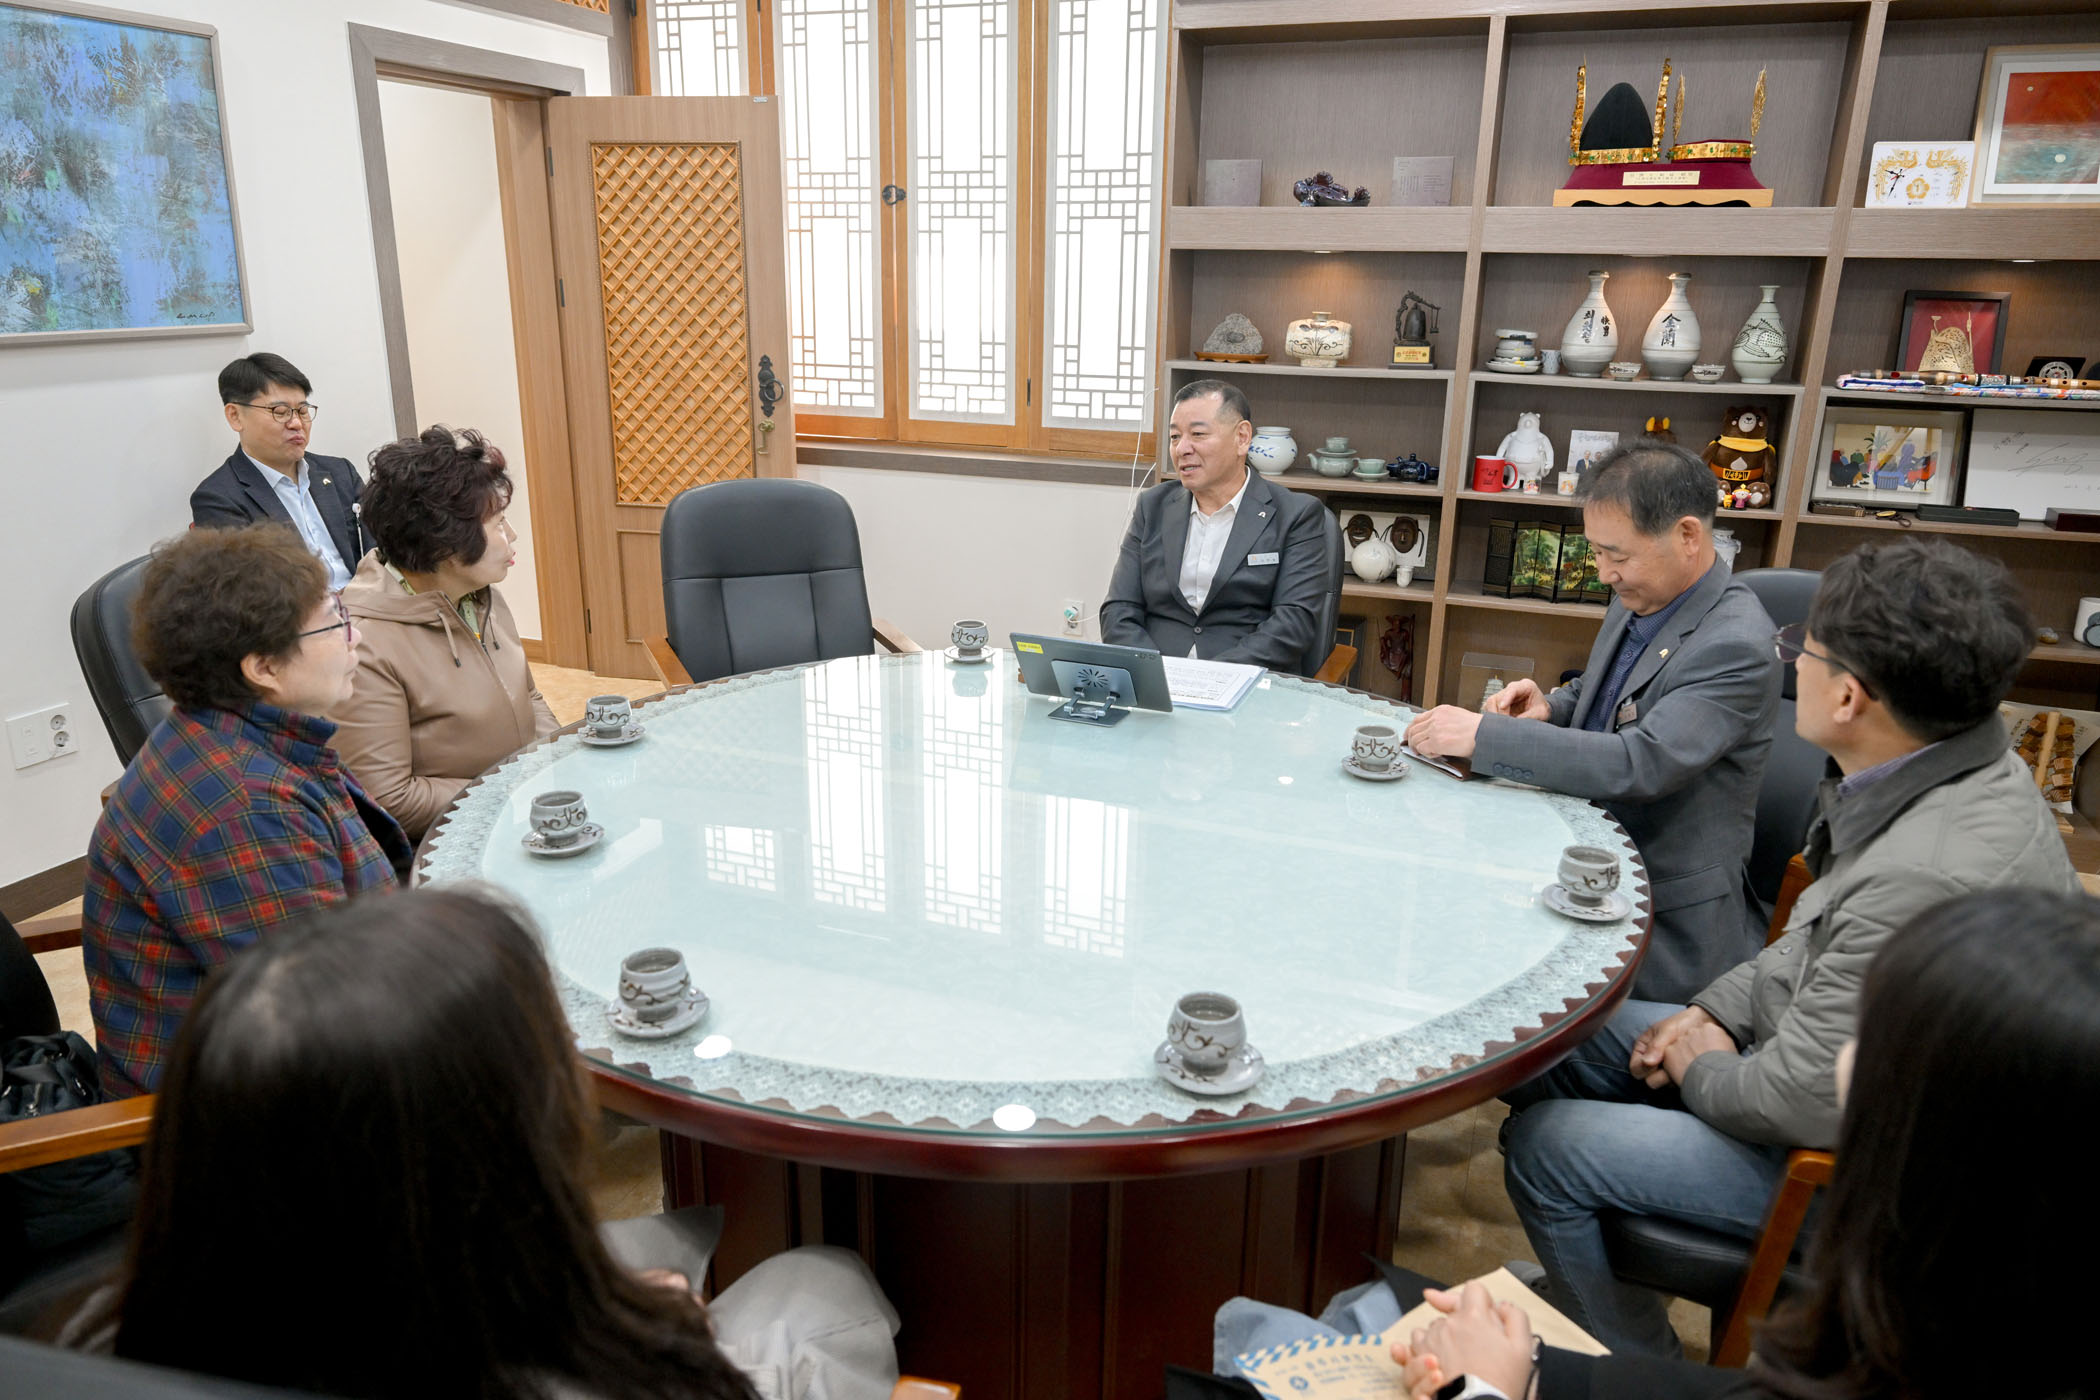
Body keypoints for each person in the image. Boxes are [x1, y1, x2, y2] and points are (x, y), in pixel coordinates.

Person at [1497, 536, 2078, 1356]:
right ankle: (1596, 1291)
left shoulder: (1922, 870)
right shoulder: (1945, 765)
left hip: (1868, 1178)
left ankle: (1641, 1369)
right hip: (1819, 1063)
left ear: (1848, 697)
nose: (1790, 662)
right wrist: (1713, 1011)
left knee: (1547, 1149)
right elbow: (1813, 934)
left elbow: (1800, 1101)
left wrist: (1700, 1063)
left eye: (1802, 647)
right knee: (1548, 1039)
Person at [64, 888, 900, 1400]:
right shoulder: (634, 1377)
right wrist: (648, 1332)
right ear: (485, 1157)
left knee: (674, 1236)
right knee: (823, 1281)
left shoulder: (95, 1344)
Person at [1387, 887, 2100, 1400]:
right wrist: (1542, 1374)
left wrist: (1483, 1390)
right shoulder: (1972, 1326)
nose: (1844, 1063)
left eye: (1879, 1044)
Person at [1406, 439, 1779, 1002]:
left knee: (1483, 991)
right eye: (1597, 553)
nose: (1604, 573)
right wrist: (1552, 706)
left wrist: (1487, 736)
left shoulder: (1736, 644)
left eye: (1617, 556)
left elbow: (1643, 760)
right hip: (1582, 859)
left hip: (1658, 917)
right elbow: (1613, 691)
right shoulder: (1647, 592)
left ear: (1687, 536)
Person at [81, 526, 409, 1098]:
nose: (355, 636)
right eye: (334, 622)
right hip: (237, 1118)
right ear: (263, 668)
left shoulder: (237, 737)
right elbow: (325, 1020)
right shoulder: (244, 808)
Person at [330, 426, 558, 842]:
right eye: (498, 524)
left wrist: (556, 763)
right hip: (446, 844)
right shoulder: (365, 643)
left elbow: (529, 697)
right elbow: (388, 798)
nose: (512, 536)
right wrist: (510, 791)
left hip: (516, 820)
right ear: (443, 544)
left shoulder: (480, 595)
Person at [1100, 379, 1330, 671]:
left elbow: (1292, 624)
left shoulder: (1296, 515)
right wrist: (1151, 672)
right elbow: (1119, 610)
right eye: (1174, 437)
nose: (1182, 449)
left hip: (1245, 679)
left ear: (1242, 438)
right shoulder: (1153, 506)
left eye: (1197, 434)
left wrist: (1210, 677)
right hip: (1157, 674)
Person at [190, 353, 364, 590]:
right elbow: (249, 592)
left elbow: (379, 550)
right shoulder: (218, 499)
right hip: (303, 611)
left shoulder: (340, 472)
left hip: (369, 602)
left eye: (303, 411)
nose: (296, 423)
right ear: (235, 416)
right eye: (280, 412)